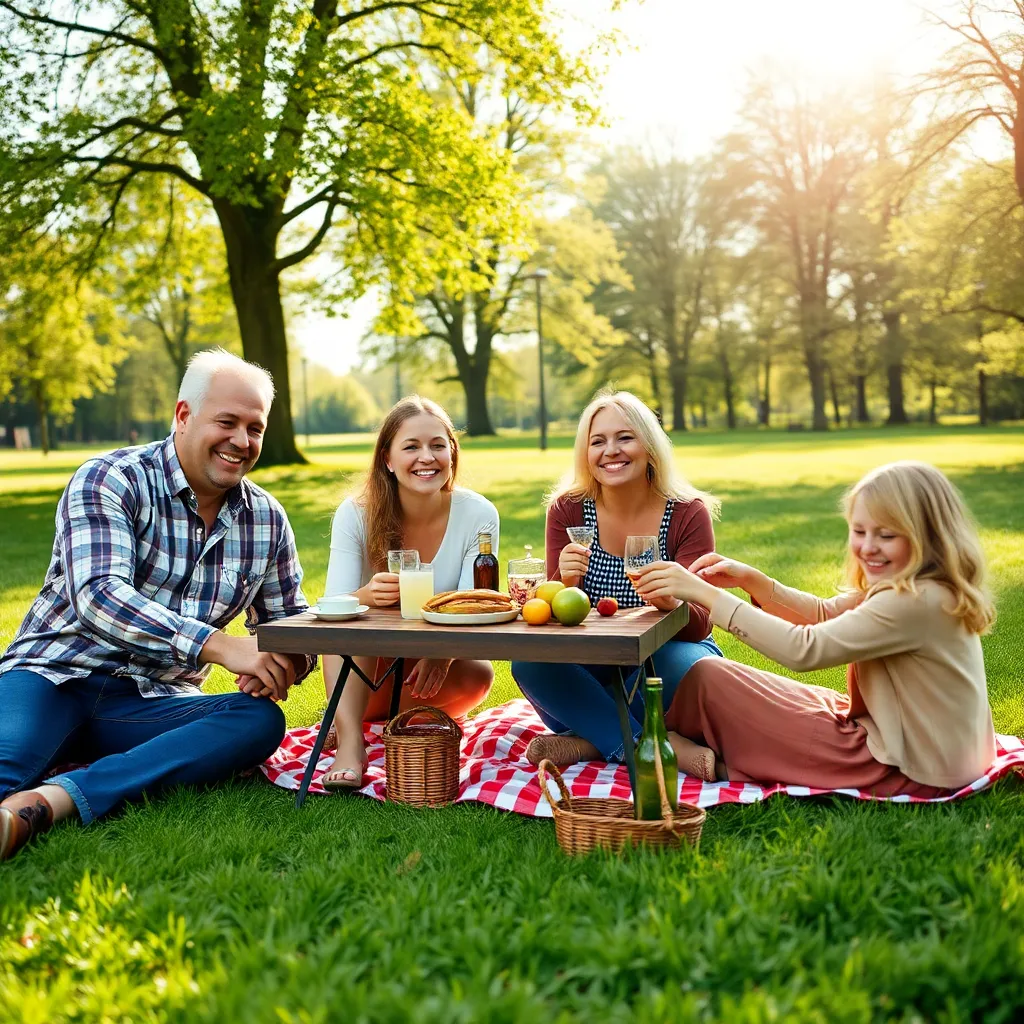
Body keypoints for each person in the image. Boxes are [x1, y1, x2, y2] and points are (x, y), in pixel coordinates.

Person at [0, 349, 314, 861]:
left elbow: (287, 623)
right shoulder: (111, 478)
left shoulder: (268, 520)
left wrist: (284, 662)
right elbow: (98, 597)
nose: (242, 441)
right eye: (227, 422)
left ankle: (54, 800)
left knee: (257, 721)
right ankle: (54, 770)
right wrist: (220, 646)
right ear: (184, 415)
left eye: (254, 428)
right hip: (51, 676)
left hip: (150, 704)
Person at [632, 461, 997, 793]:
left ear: (929, 536)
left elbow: (804, 649)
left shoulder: (914, 601)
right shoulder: (916, 586)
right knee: (707, 675)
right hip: (906, 738)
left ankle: (683, 754)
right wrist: (755, 582)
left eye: (886, 536)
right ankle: (664, 742)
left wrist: (704, 594)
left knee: (713, 684)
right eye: (859, 531)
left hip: (904, 765)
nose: (868, 547)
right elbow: (825, 613)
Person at [512, 390, 723, 767]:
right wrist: (566, 582)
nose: (611, 450)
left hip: (663, 660)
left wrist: (672, 604)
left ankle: (591, 741)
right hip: (594, 665)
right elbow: (548, 622)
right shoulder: (568, 510)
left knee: (686, 663)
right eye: (598, 441)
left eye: (625, 437)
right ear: (585, 453)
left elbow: (702, 623)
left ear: (650, 446)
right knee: (530, 663)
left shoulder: (688, 514)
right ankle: (649, 748)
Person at [321, 396, 497, 789]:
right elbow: (331, 608)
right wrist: (365, 595)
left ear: (452, 452)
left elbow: (475, 604)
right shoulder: (357, 513)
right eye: (411, 447)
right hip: (369, 664)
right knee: (351, 629)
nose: (427, 457)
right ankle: (350, 742)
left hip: (429, 664)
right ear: (387, 458)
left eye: (438, 445)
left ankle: (348, 713)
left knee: (479, 676)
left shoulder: (479, 514)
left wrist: (443, 653)